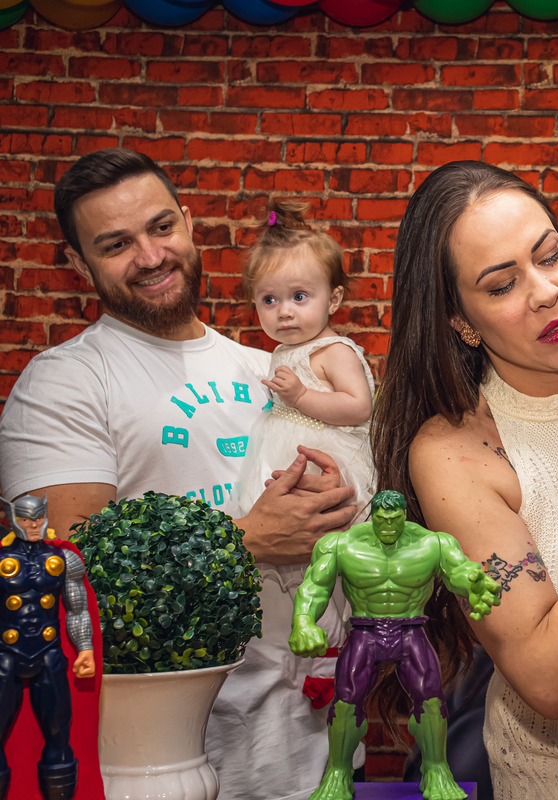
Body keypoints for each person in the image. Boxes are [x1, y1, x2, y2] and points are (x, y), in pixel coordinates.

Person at [0, 148, 359, 800]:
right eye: (116, 244)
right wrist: (247, 538)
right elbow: (68, 570)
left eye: (161, 227)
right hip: (165, 758)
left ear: (189, 224)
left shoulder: (271, 371)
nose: (150, 255)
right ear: (78, 264)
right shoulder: (63, 384)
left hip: (312, 741)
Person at [372, 161, 558, 799]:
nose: (546, 291)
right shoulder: (455, 451)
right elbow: (545, 673)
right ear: (460, 320)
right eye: (502, 285)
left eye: (550, 255)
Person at [290, 490, 501, 800]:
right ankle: (339, 772)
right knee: (346, 700)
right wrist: (303, 621)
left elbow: (458, 572)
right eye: (382, 519)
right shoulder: (341, 545)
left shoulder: (432, 544)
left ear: (403, 515)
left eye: (394, 519)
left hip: (410, 630)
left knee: (430, 698)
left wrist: (474, 583)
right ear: (373, 516)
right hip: (365, 630)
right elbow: (315, 588)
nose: (388, 526)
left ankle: (436, 770)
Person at [238, 198, 377, 593]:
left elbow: (358, 406)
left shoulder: (334, 350)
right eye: (270, 300)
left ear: (332, 300)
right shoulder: (284, 350)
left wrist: (299, 395)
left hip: (325, 458)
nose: (284, 311)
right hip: (284, 454)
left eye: (299, 296)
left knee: (322, 544)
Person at [0, 494, 95, 800]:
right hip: (5, 655)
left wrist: (85, 647)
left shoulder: (64, 559)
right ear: (12, 519)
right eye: (26, 519)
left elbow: (77, 608)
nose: (33, 525)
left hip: (48, 652)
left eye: (38, 518)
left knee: (59, 736)